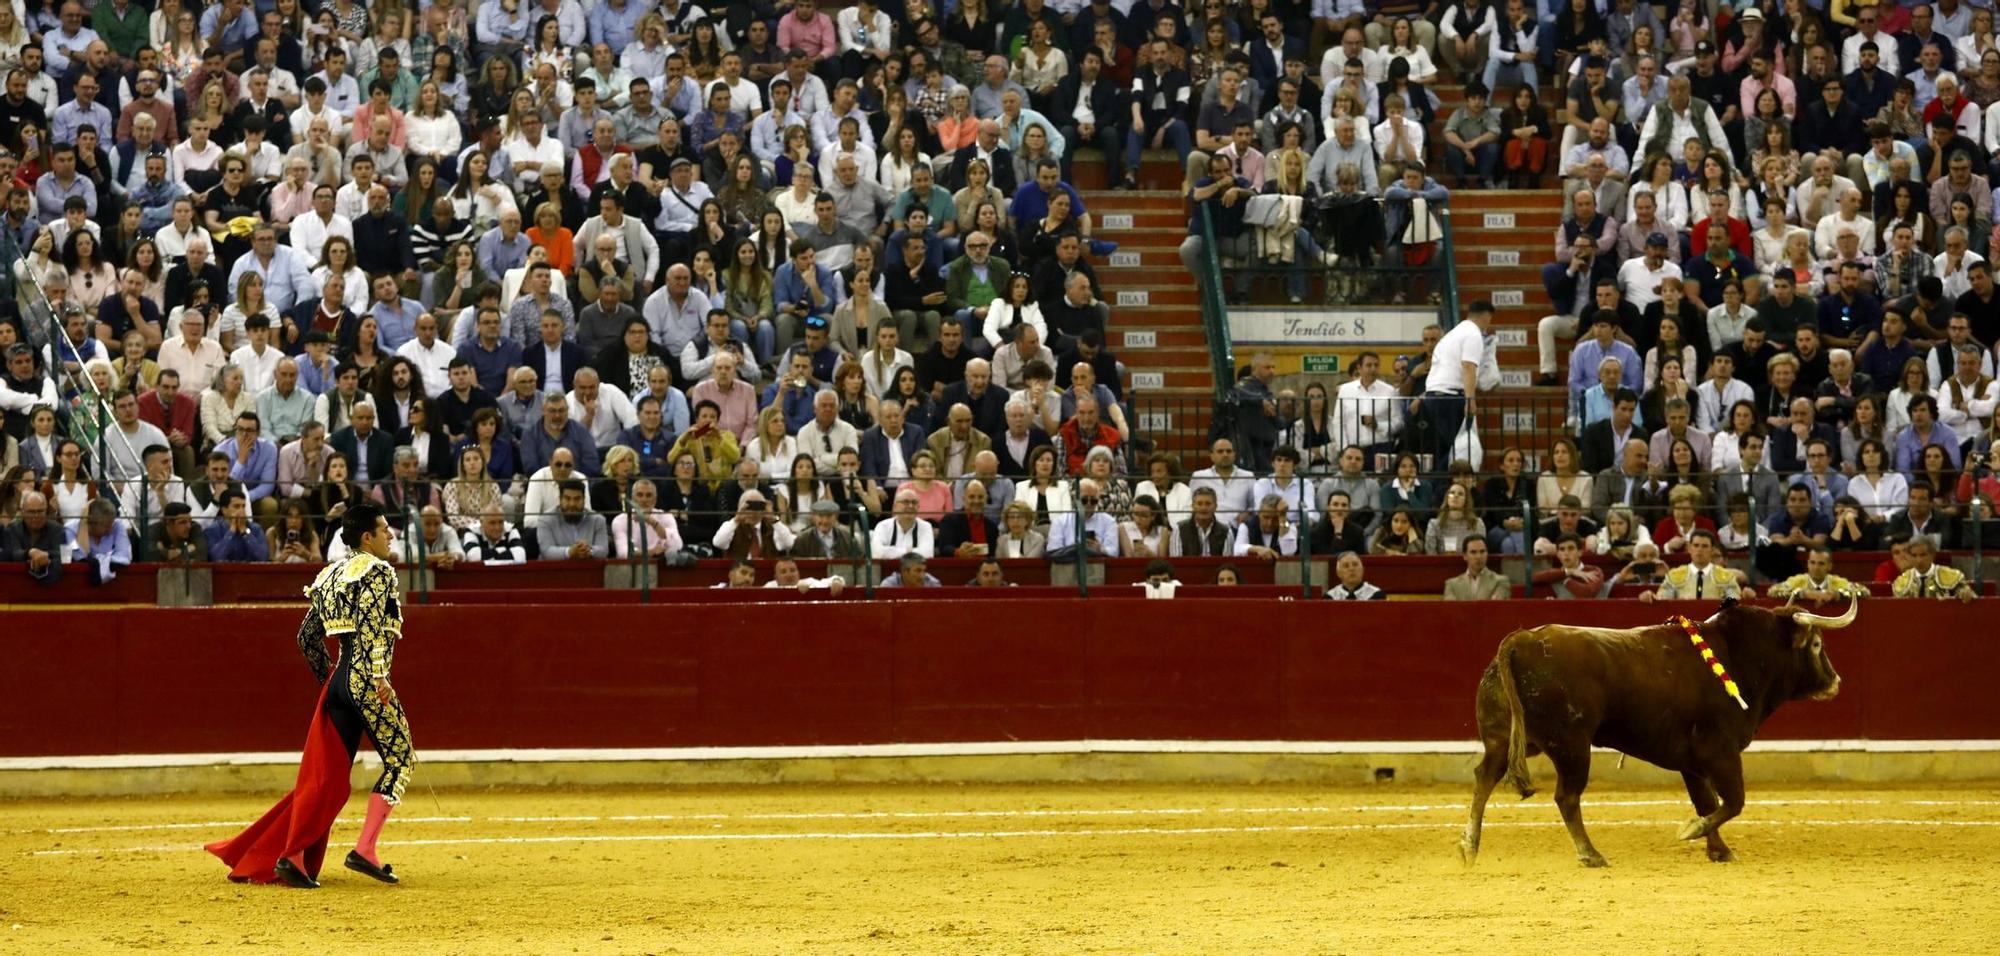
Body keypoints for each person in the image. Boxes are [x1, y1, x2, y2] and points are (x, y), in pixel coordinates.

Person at [206, 504, 415, 888]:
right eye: (385, 530)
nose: (391, 536)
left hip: (339, 680)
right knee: (401, 759)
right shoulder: (379, 571)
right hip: (367, 677)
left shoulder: (330, 575)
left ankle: (296, 856)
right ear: (366, 537)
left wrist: (331, 683)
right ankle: (365, 850)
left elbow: (307, 638)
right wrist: (378, 677)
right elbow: (370, 627)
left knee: (330, 777)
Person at [1638, 528, 1744, 601]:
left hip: (1714, 629)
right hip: (1683, 628)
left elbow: (1733, 604)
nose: (1699, 550)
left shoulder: (1725, 576)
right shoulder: (1675, 575)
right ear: (1690, 548)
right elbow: (1663, 602)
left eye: (1704, 546)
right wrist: (1650, 596)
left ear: (1712, 550)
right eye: (1696, 545)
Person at [1891, 534, 1977, 599]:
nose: (1919, 560)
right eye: (1914, 555)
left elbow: (1967, 593)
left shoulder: (1950, 575)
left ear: (1932, 555)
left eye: (1923, 555)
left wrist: (1965, 593)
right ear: (1909, 556)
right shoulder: (1902, 581)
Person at [1444, 535, 1510, 599]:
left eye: (1482, 551)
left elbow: (1494, 607)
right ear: (1465, 556)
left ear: (1487, 554)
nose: (1478, 556)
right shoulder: (1452, 585)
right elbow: (1452, 609)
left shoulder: (1500, 581)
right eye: (1473, 552)